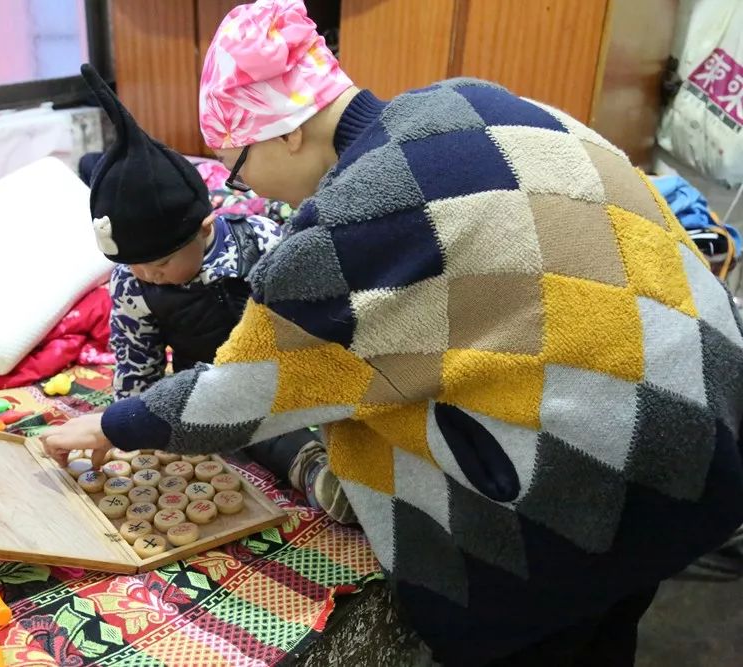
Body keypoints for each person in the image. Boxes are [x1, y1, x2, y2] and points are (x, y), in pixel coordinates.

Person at [45, 2, 743, 665]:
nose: (248, 189)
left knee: (550, 625)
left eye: (237, 165)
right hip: (700, 421)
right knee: (614, 617)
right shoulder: (468, 100)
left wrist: (112, 424)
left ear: (286, 131)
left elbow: (248, 389)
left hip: (597, 476)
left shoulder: (352, 220)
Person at [71, 64, 355, 523]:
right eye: (134, 265)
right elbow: (137, 368)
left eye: (162, 263)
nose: (148, 274)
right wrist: (126, 428)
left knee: (335, 405)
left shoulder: (259, 240)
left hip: (285, 365)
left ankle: (360, 464)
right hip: (210, 388)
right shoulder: (133, 283)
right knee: (245, 428)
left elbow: (314, 317)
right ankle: (312, 471)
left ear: (205, 229)